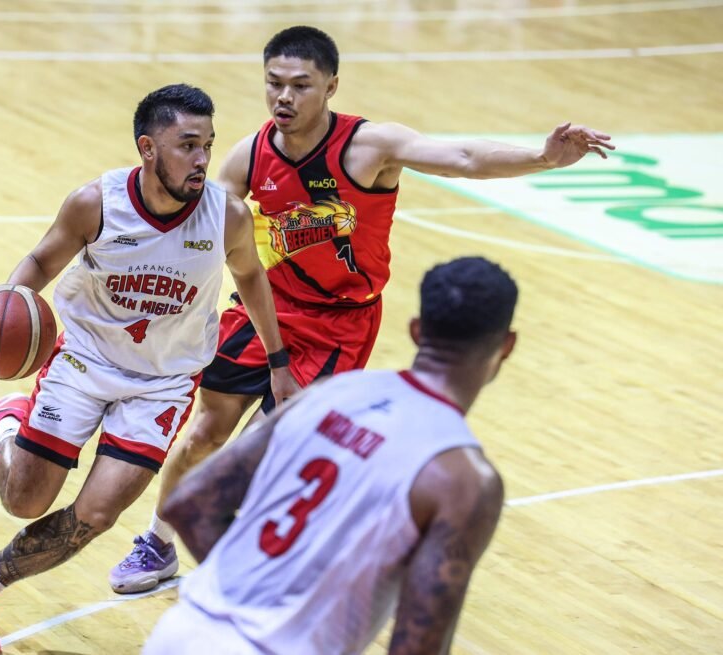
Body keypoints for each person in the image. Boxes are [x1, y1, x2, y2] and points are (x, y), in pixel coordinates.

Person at [110, 25, 612, 593]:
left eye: (301, 85)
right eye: (274, 83)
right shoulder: (251, 153)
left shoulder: (369, 146)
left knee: (268, 448)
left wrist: (543, 156)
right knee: (205, 434)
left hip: (338, 326)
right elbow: (197, 225)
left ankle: (252, 558)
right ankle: (158, 541)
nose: (284, 97)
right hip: (264, 309)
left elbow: (463, 156)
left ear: (332, 87)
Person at [0, 83, 300, 655]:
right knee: (24, 501)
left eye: (208, 146)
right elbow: (40, 260)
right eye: (187, 146)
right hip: (84, 359)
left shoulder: (226, 217)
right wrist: (2, 306)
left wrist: (278, 359)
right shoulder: (95, 203)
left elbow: (251, 277)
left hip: (165, 383)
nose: (202, 160)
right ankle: (3, 426)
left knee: (96, 514)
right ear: (148, 149)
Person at [144, 256, 517, 655]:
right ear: (507, 346)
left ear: (416, 330)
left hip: (182, 632)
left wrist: (253, 582)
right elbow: (417, 644)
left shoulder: (329, 394)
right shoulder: (464, 478)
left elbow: (190, 502)